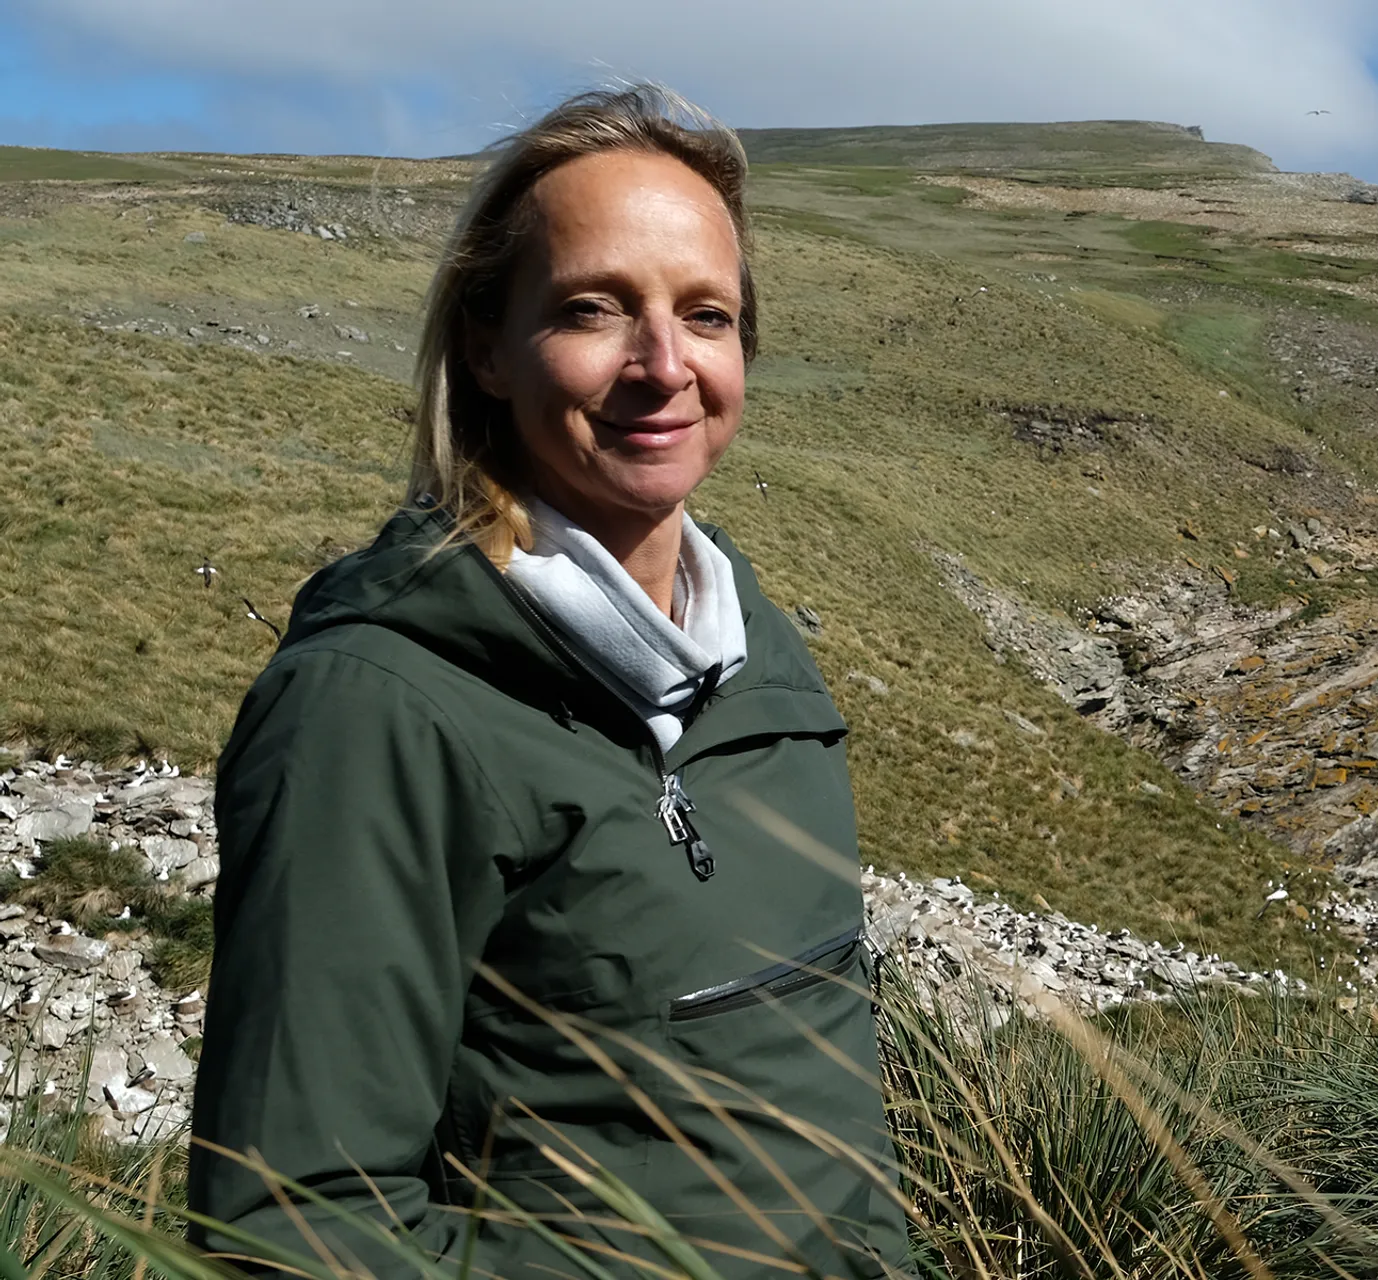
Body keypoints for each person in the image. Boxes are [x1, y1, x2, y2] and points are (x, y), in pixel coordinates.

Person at [187, 85, 915, 1280]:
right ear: (486, 342)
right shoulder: (375, 709)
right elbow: (296, 1224)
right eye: (593, 309)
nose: (664, 366)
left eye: (708, 316)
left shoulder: (761, 654)